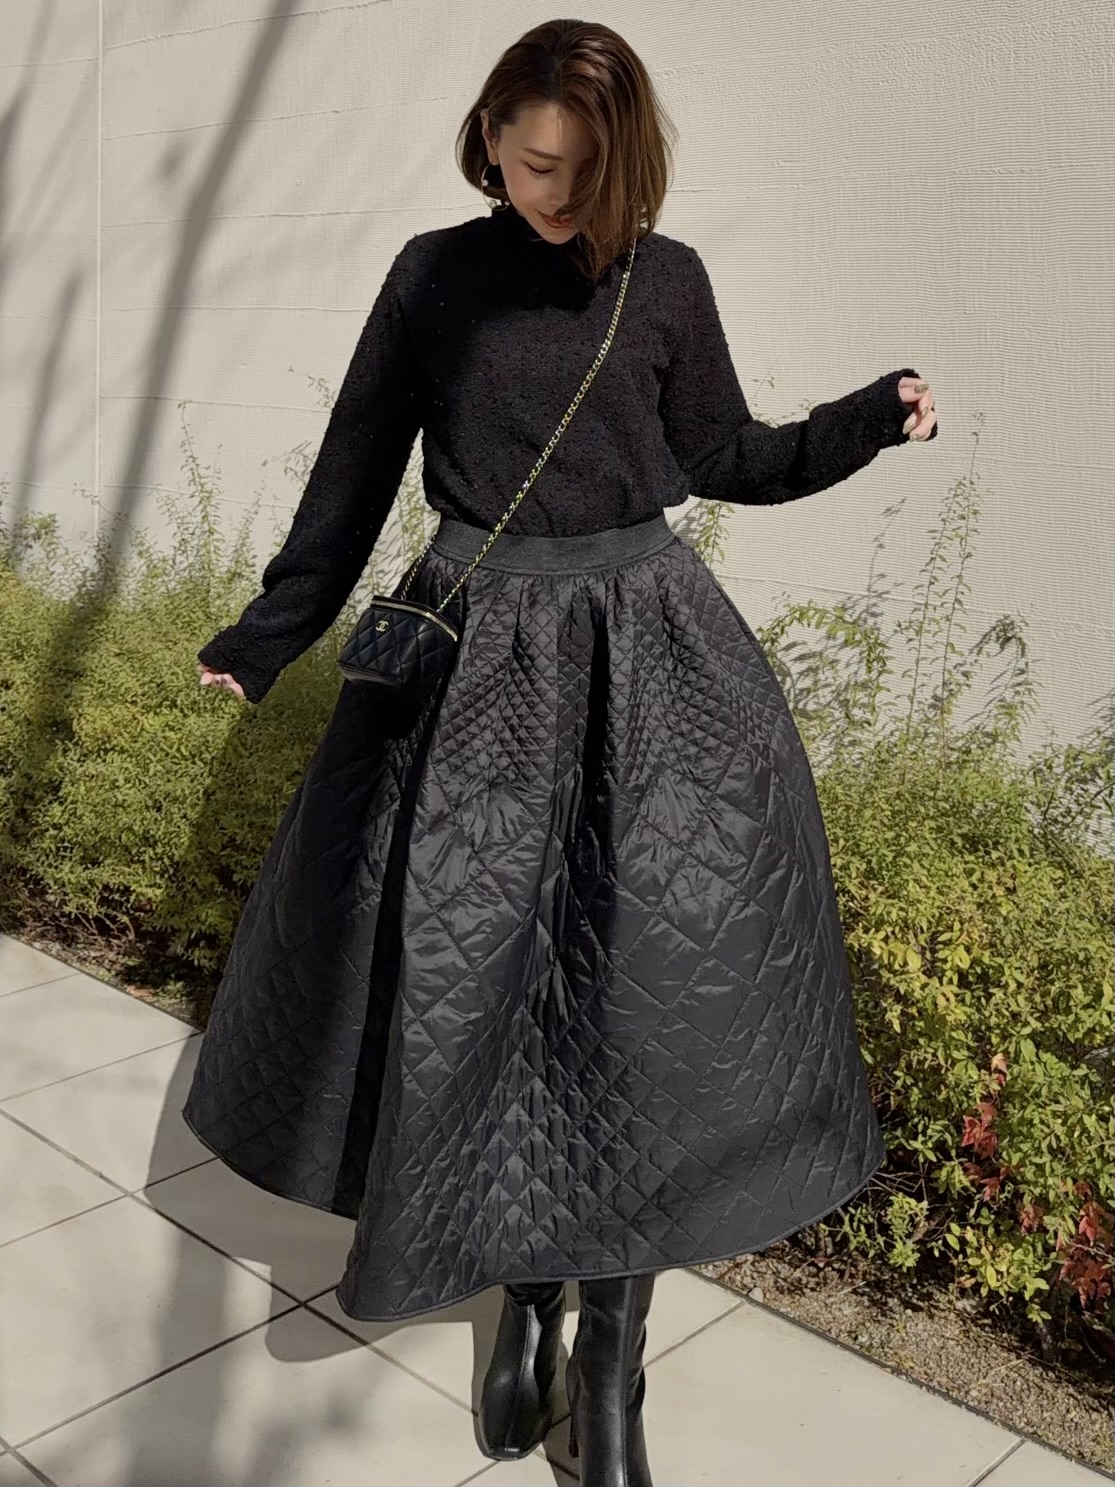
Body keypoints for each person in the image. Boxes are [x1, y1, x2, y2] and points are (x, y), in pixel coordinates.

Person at [184, 17, 938, 1485]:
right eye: (536, 164)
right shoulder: (434, 277)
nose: (559, 197)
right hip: (477, 672)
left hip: (652, 664)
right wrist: (271, 632)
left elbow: (726, 456)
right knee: (486, 996)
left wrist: (863, 422)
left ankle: (611, 1364)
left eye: (589, 173)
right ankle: (527, 1299)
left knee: (641, 1014)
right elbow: (355, 465)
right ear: (489, 138)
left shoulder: (668, 281)